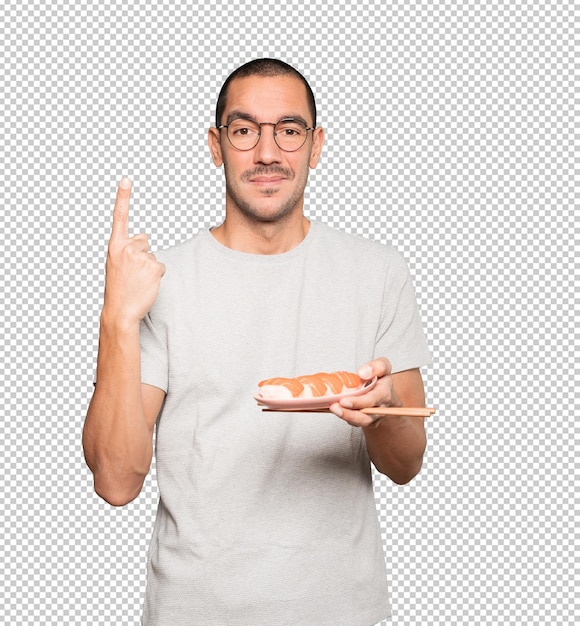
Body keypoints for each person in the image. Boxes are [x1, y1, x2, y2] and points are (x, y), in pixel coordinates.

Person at [83, 58, 432, 626]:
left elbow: (407, 465)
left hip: (341, 611)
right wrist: (115, 320)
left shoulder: (379, 271)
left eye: (289, 130)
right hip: (194, 613)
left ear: (317, 144)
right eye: (244, 130)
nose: (267, 152)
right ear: (216, 145)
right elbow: (116, 482)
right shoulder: (161, 282)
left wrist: (386, 409)